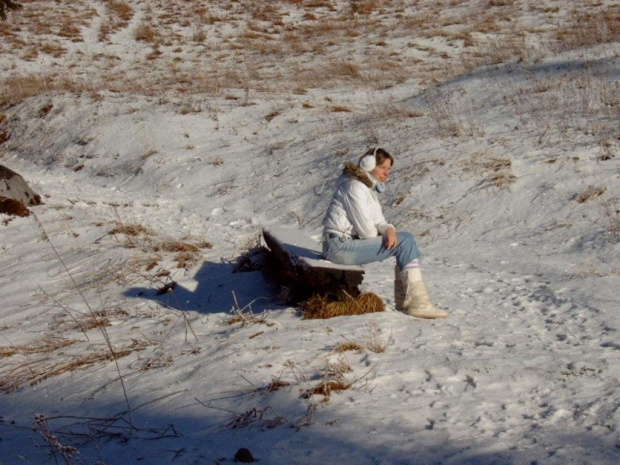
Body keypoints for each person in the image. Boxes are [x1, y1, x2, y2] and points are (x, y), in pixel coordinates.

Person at [322, 147, 448, 319]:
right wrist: (384, 233)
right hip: (339, 247)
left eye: (389, 169)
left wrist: (389, 229)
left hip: (344, 244)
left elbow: (379, 220)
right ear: (369, 165)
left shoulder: (368, 190)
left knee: (404, 241)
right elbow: (367, 231)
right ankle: (419, 303)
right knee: (405, 241)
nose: (387, 173)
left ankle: (406, 303)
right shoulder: (354, 187)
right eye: (383, 168)